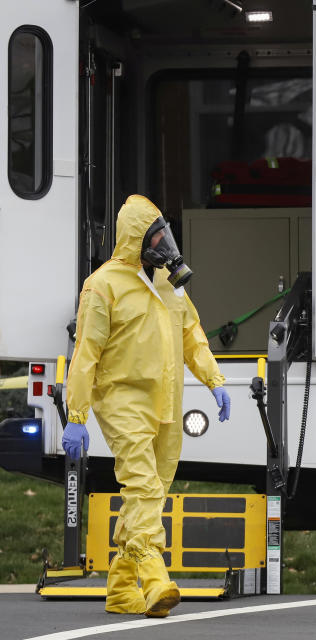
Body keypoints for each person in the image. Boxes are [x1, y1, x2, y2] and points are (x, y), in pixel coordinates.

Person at [61, 195, 231, 617]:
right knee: (143, 488)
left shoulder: (168, 284)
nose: (164, 243)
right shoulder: (102, 286)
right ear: (135, 238)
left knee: (150, 495)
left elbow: (192, 333)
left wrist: (214, 379)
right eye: (155, 235)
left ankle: (121, 587)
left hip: (166, 404)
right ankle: (156, 578)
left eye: (164, 233)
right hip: (122, 401)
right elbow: (86, 354)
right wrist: (77, 415)